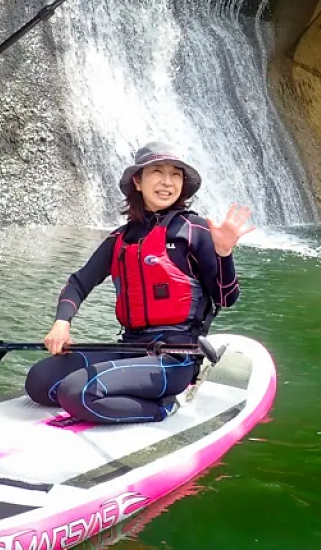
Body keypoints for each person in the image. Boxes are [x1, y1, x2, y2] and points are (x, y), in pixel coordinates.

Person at [24, 142, 254, 424]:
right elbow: (78, 283)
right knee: (39, 382)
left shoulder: (194, 230)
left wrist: (224, 254)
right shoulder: (120, 238)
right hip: (130, 347)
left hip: (175, 356)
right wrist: (62, 322)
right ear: (138, 180)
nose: (168, 182)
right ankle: (130, 394)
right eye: (157, 171)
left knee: (77, 393)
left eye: (176, 175)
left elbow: (227, 297)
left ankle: (164, 407)